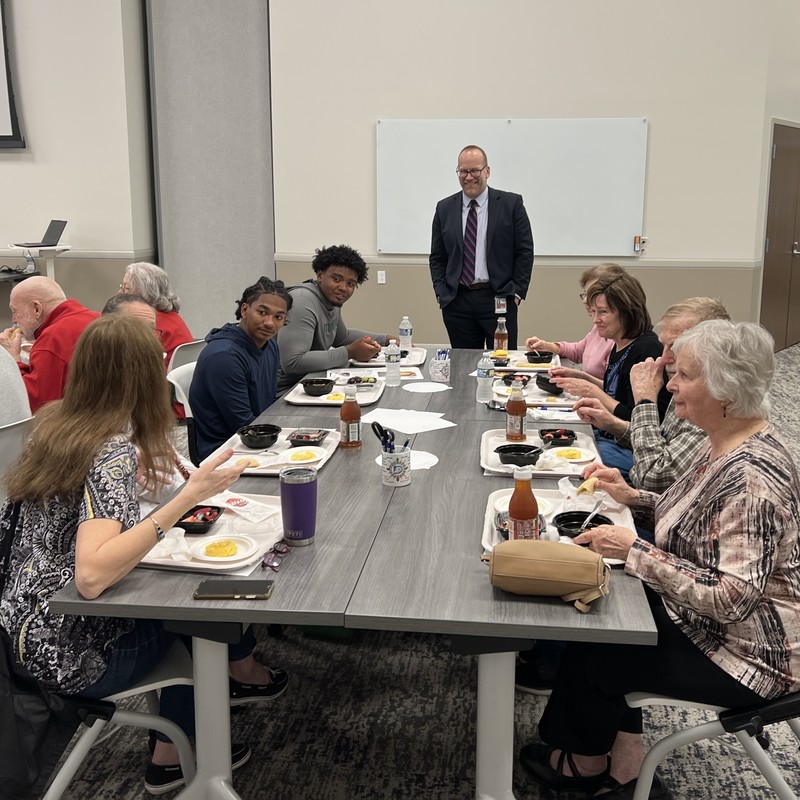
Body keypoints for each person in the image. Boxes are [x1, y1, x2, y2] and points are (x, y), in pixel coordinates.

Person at [0, 314, 288, 795]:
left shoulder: (54, 424)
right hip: (73, 652)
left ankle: (214, 702)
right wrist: (186, 498)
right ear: (143, 375)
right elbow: (92, 576)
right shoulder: (110, 451)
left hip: (20, 633)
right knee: (201, 615)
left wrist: (173, 485)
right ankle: (174, 756)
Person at [519, 320, 800, 800]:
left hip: (750, 656)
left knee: (601, 647)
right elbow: (697, 518)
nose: (669, 385)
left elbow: (730, 599)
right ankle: (619, 754)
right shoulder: (728, 440)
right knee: (602, 618)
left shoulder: (752, 481)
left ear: (726, 392)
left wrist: (634, 550)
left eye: (684, 375)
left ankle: (585, 765)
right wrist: (632, 496)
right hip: (719, 626)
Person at [573, 297, 730, 493]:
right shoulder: (686, 382)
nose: (663, 358)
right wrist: (611, 423)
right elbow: (662, 442)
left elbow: (652, 478)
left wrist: (645, 400)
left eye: (674, 346)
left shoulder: (711, 401)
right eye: (663, 345)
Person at [549, 272, 670, 478]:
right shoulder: (620, 343)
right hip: (611, 438)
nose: (596, 320)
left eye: (603, 312)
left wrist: (595, 393)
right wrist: (584, 380)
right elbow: (618, 391)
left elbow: (641, 419)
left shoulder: (646, 350)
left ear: (627, 312)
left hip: (628, 449)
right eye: (594, 311)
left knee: (560, 463)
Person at [429, 144, 534, 351]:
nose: (469, 177)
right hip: (457, 301)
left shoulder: (511, 204)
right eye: (463, 171)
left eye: (474, 170)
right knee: (463, 369)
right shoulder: (444, 208)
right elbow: (437, 257)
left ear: (487, 171)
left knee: (502, 367)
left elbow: (524, 251)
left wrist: (517, 293)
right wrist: (442, 292)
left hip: (499, 298)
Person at [191, 276, 290, 460]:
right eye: (262, 312)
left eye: (278, 317)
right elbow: (245, 427)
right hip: (226, 450)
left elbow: (269, 404)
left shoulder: (270, 345)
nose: (270, 323)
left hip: (258, 437)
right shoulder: (224, 356)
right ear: (245, 310)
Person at [276, 244, 387, 393]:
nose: (343, 287)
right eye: (336, 279)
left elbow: (342, 337)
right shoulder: (302, 301)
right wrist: (349, 352)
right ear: (320, 276)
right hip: (284, 392)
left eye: (350, 284)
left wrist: (386, 339)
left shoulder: (331, 300)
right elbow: (293, 362)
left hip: (310, 382)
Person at [0, 276, 99, 413]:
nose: (14, 319)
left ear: (36, 309)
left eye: (15, 311)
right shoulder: (97, 318)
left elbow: (34, 405)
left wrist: (13, 360)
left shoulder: (53, 339)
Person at [525, 263, 624, 380]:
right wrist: (548, 346)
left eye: (592, 294)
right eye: (585, 294)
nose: (585, 300)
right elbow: (579, 351)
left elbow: (614, 391)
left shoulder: (617, 336)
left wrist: (578, 377)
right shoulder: (599, 326)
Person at [120, 262, 193, 364]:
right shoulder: (172, 316)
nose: (120, 292)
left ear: (145, 292)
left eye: (126, 288)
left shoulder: (149, 323)